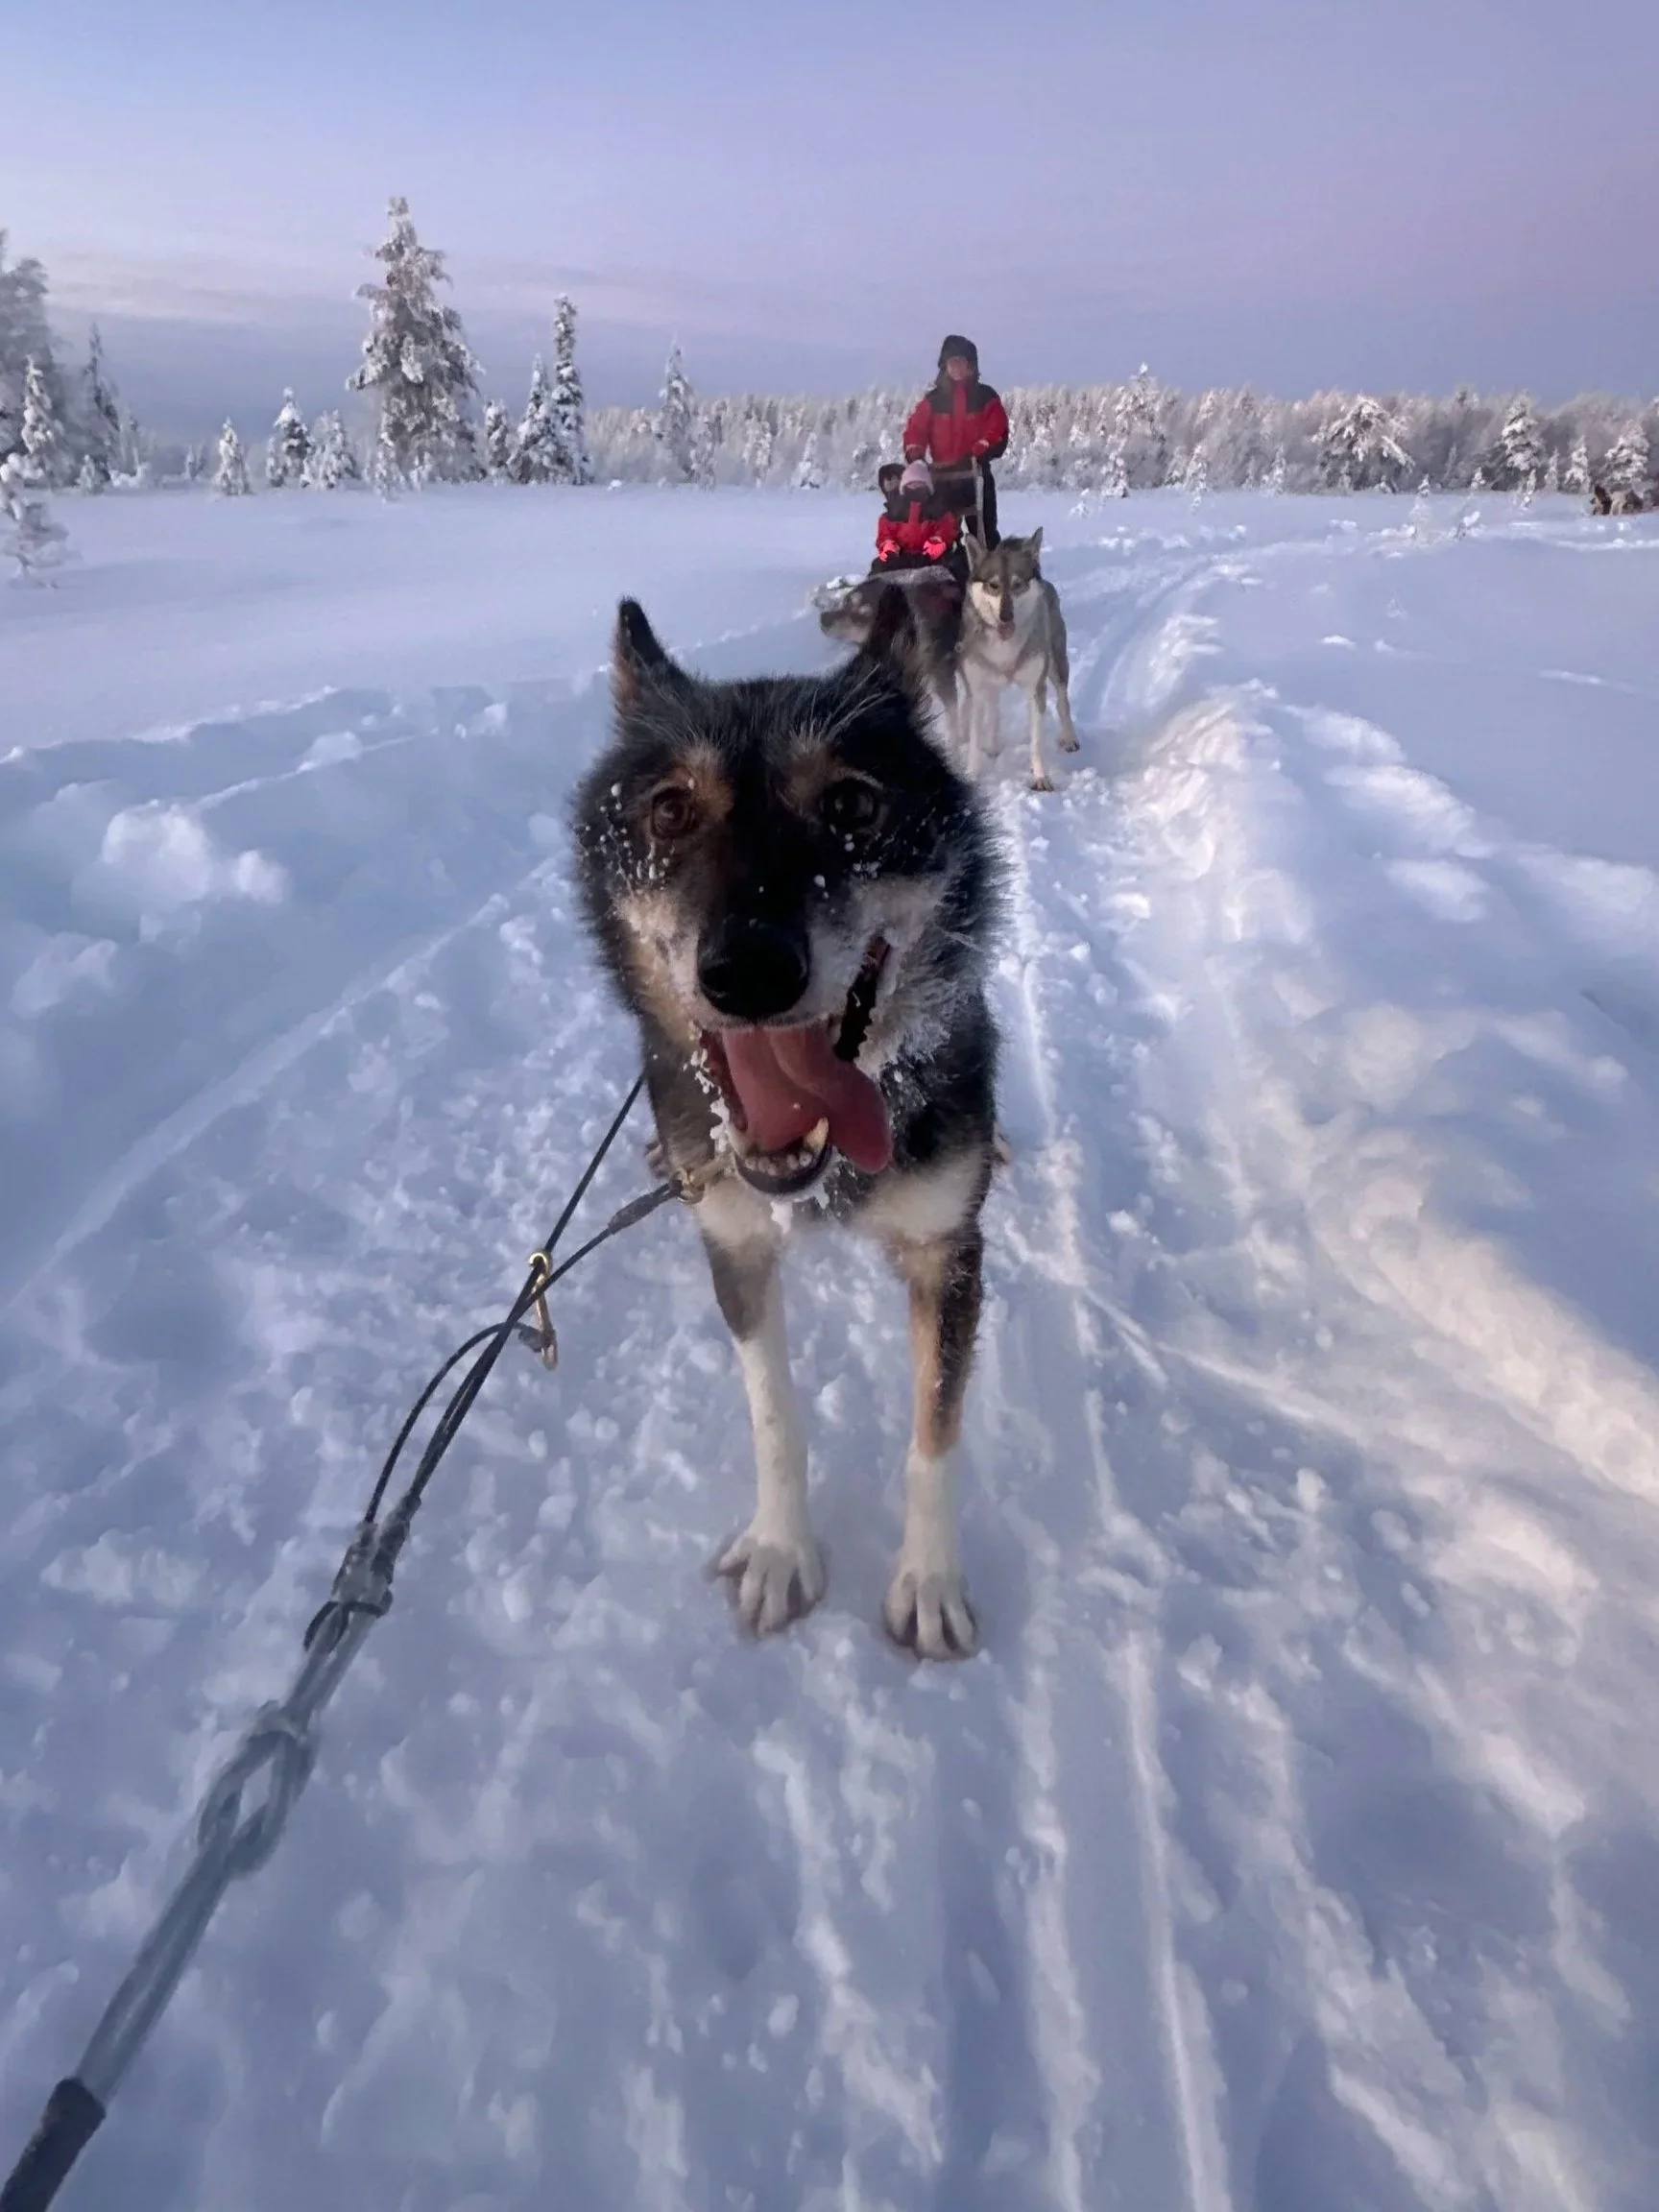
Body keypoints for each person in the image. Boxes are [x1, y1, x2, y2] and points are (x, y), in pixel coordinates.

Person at [902, 334, 1010, 547]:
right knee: (942, 530)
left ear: (972, 366)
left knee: (984, 530)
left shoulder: (985, 396)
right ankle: (950, 568)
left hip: (975, 473)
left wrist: (981, 448)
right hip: (941, 477)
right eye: (952, 362)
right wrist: (915, 455)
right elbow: (916, 429)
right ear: (945, 366)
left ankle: (990, 571)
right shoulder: (933, 400)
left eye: (962, 362)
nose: (957, 368)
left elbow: (997, 427)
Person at [874, 460, 964, 582]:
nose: (915, 488)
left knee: (954, 568)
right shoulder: (893, 513)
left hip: (930, 558)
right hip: (901, 557)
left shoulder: (939, 511)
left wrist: (934, 547)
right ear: (904, 488)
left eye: (919, 484)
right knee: (879, 566)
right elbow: (885, 535)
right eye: (911, 484)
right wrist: (889, 549)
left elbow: (945, 531)